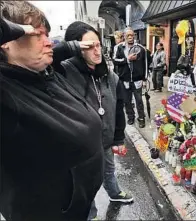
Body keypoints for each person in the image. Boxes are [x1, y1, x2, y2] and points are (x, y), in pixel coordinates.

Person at [0, 2, 103, 220]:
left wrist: (75, 46)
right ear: (6, 42)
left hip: (79, 208)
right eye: (38, 35)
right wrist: (10, 29)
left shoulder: (42, 72)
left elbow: (57, 51)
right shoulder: (6, 94)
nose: (48, 42)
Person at [51, 21, 134, 220]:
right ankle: (91, 214)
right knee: (84, 184)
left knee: (109, 170)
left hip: (104, 141)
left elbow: (118, 108)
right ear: (77, 48)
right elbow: (47, 58)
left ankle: (114, 194)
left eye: (98, 45)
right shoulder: (63, 71)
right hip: (80, 146)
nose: (97, 51)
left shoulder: (109, 75)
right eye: (89, 46)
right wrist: (69, 48)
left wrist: (118, 139)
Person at [114, 27, 148, 128]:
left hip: (137, 80)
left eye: (132, 35)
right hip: (124, 80)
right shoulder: (119, 48)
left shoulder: (141, 48)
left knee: (139, 101)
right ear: (124, 36)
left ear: (134, 36)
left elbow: (145, 64)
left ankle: (141, 118)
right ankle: (131, 117)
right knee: (127, 101)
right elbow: (115, 61)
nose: (130, 37)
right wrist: (127, 59)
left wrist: (145, 79)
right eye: (128, 35)